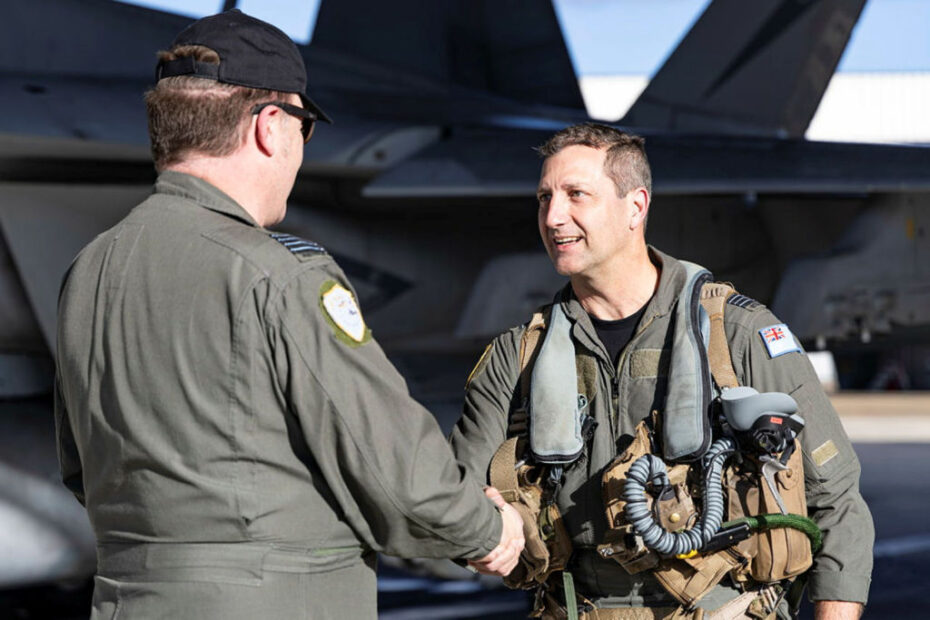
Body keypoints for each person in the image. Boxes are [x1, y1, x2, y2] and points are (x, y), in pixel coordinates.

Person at [54, 10, 523, 619]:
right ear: (271, 127)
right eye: (305, 127)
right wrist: (486, 530)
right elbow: (389, 464)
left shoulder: (88, 270)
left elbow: (80, 469)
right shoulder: (281, 273)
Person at [450, 123, 873, 619]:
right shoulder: (517, 355)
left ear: (636, 206)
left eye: (575, 195)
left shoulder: (736, 334)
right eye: (544, 197)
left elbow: (837, 501)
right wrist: (483, 535)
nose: (553, 216)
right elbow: (458, 498)